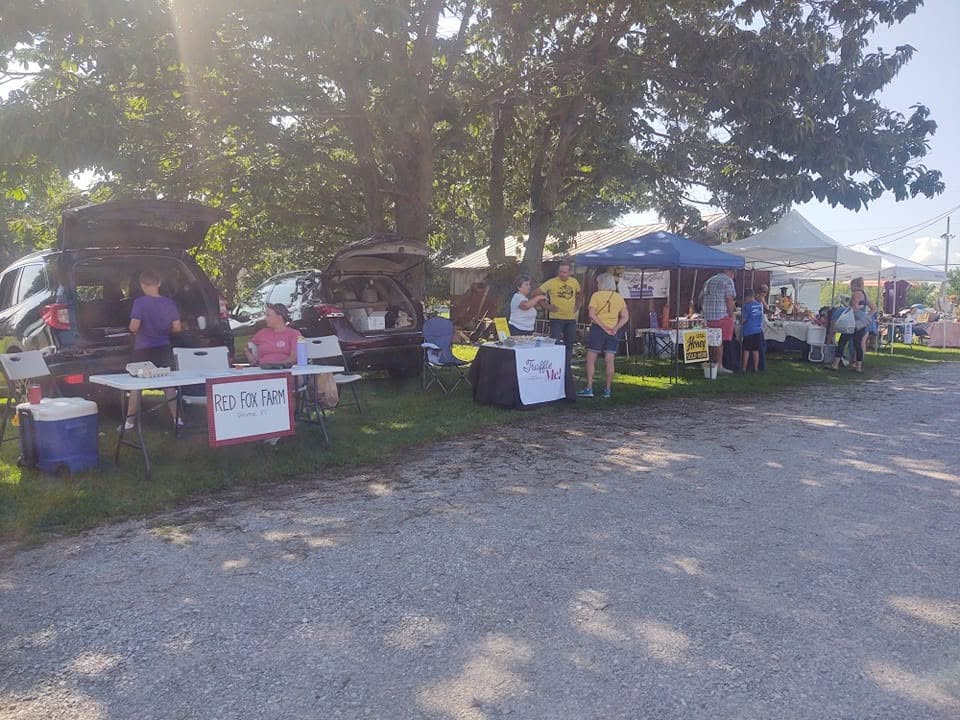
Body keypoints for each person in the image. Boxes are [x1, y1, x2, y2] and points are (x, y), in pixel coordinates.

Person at [125, 270, 181, 429]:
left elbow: (133, 327)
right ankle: (177, 419)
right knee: (169, 385)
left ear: (142, 285)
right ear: (159, 283)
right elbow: (177, 328)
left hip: (143, 348)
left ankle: (129, 423)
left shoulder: (140, 303)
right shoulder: (169, 303)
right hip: (163, 347)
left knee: (136, 386)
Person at [578, 273, 628, 399]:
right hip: (613, 331)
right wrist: (615, 327)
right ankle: (607, 390)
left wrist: (602, 326)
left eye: (598, 283)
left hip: (598, 330)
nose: (597, 285)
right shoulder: (619, 297)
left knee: (591, 359)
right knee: (610, 360)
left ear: (602, 283)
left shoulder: (596, 296)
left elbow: (592, 315)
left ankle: (589, 387)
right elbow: (625, 316)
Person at [532, 261, 582, 368]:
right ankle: (554, 365)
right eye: (560, 272)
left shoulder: (574, 282)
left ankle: (566, 366)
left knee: (569, 344)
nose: (562, 274)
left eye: (565, 272)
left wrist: (577, 305)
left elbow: (579, 294)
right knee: (555, 343)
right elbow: (536, 293)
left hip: (570, 319)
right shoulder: (551, 282)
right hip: (556, 319)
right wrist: (546, 306)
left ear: (570, 272)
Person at [830, 277, 876, 373]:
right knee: (858, 344)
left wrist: (845, 304)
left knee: (842, 342)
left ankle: (835, 364)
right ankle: (858, 366)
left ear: (855, 285)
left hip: (852, 323)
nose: (851, 287)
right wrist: (866, 316)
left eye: (851, 285)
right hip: (861, 324)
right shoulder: (865, 295)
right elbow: (874, 308)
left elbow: (854, 308)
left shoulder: (855, 294)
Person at [702, 269, 736, 374]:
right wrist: (732, 315)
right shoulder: (728, 281)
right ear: (731, 273)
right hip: (721, 315)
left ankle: (711, 364)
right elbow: (729, 299)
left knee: (711, 342)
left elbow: (701, 298)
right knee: (719, 342)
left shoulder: (709, 280)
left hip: (708, 316)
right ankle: (720, 365)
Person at [740, 288, 764, 372]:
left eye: (745, 297)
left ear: (748, 296)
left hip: (748, 331)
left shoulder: (746, 306)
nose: (745, 299)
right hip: (757, 330)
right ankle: (756, 368)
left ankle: (744, 368)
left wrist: (739, 321)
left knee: (746, 350)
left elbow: (744, 319)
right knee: (755, 350)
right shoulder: (759, 305)